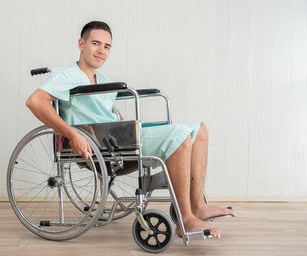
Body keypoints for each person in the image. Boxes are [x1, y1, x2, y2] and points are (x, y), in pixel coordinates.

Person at [26, 21, 236, 238]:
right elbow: (35, 101)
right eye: (96, 43)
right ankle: (186, 218)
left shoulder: (104, 79)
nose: (101, 51)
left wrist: (124, 125)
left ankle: (198, 206)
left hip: (117, 137)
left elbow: (109, 113)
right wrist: (72, 134)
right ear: (81, 44)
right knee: (179, 136)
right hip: (101, 144)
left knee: (199, 129)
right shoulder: (67, 75)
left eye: (107, 46)